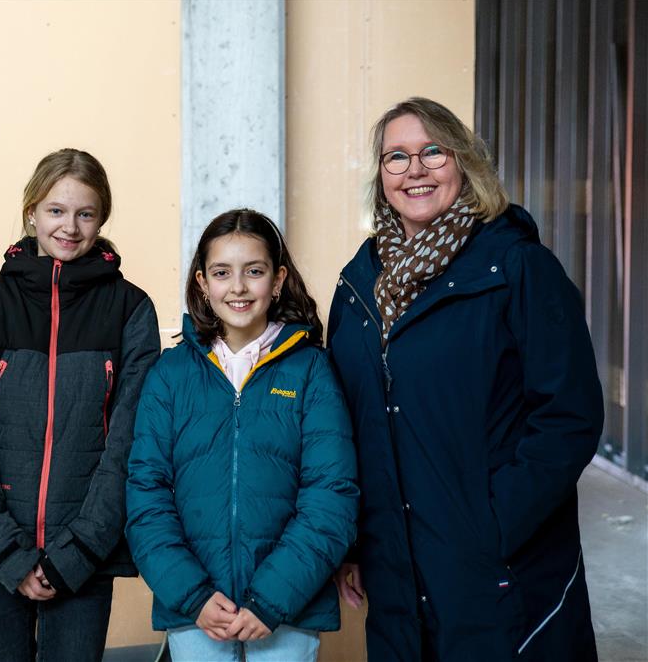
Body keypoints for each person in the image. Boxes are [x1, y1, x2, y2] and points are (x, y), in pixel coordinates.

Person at [327, 96, 603, 661]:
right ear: (381, 179)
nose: (416, 170)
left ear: (465, 163)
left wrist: (496, 524)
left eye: (434, 151)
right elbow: (349, 422)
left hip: (500, 564)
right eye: (396, 158)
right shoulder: (359, 287)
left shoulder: (518, 268)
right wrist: (354, 541)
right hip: (397, 564)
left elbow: (568, 415)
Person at [0, 148, 160, 662]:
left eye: (85, 213)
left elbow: (129, 443)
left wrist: (78, 552)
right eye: (57, 210)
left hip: (83, 557)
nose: (70, 226)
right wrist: (7, 555)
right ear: (32, 212)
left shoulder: (131, 310)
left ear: (101, 218)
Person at [126, 209, 359, 662]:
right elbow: (145, 493)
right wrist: (191, 595)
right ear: (201, 283)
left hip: (288, 609)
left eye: (254, 271)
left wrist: (272, 598)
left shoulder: (311, 370)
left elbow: (331, 494)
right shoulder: (170, 375)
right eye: (221, 273)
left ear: (277, 280)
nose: (237, 287)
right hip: (196, 611)